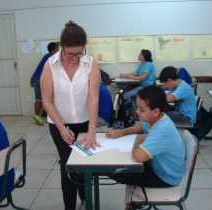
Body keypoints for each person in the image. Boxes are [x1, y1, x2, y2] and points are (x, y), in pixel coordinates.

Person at [40, 21, 101, 210]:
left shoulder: (90, 64)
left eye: (79, 53)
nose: (75, 57)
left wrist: (91, 129)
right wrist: (61, 128)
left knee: (85, 163)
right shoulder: (50, 65)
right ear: (61, 47)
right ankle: (69, 206)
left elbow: (93, 99)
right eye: (70, 53)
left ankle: (85, 196)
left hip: (84, 122)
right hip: (59, 124)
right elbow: (47, 102)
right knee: (67, 166)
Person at [106, 86, 186, 209]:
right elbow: (140, 128)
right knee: (120, 167)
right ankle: (132, 203)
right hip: (160, 166)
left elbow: (138, 157)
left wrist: (138, 140)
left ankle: (133, 203)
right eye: (137, 107)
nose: (137, 111)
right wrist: (121, 132)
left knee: (116, 171)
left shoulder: (162, 129)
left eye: (141, 109)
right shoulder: (157, 118)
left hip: (165, 177)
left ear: (156, 111)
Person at [31, 42, 59, 125]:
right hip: (38, 79)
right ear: (52, 50)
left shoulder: (48, 56)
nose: (58, 51)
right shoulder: (50, 59)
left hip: (38, 78)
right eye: (57, 49)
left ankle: (38, 117)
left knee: (43, 98)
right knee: (40, 99)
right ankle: (37, 118)